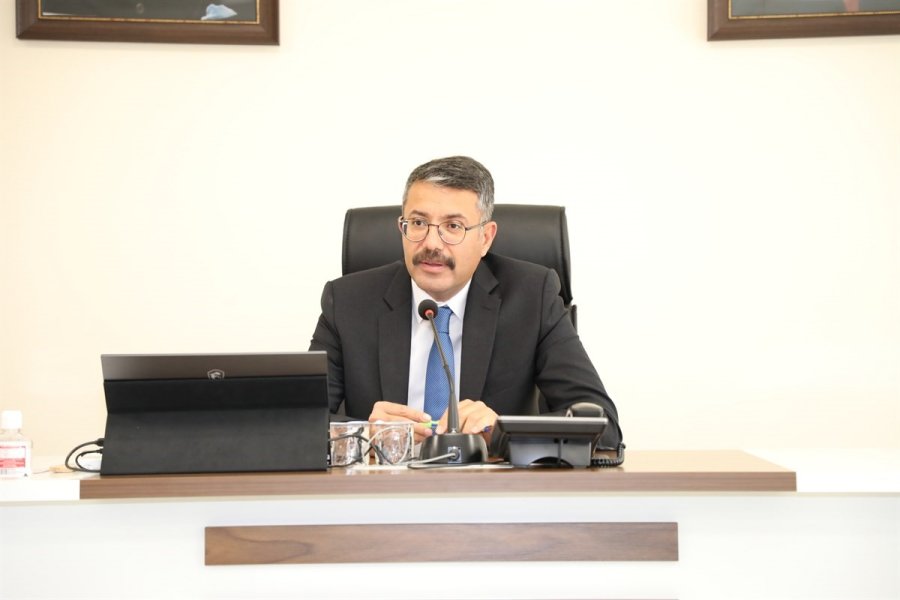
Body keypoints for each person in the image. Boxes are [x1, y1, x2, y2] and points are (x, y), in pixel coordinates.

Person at [310, 156, 621, 449]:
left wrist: (500, 433)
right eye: (418, 223)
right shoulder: (348, 302)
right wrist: (362, 434)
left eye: (453, 226)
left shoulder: (531, 297)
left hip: (490, 486)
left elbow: (602, 425)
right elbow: (295, 422)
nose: (431, 243)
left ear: (485, 238)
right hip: (384, 485)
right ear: (401, 228)